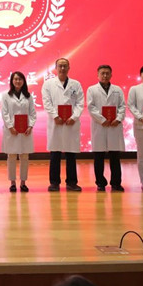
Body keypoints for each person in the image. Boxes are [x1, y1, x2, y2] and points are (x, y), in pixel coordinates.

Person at [42, 58, 84, 192]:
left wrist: (74, 117)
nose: (62, 68)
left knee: (71, 154)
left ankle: (72, 182)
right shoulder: (48, 84)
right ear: (56, 68)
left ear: (69, 68)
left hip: (71, 122)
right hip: (56, 123)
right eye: (60, 66)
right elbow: (46, 102)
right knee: (55, 153)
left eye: (65, 66)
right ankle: (54, 183)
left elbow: (80, 103)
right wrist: (55, 116)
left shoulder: (76, 84)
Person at [86, 65, 126, 192]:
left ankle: (116, 183)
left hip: (114, 125)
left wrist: (118, 119)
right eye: (102, 73)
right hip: (100, 126)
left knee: (115, 157)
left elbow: (122, 106)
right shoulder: (92, 90)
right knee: (99, 157)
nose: (105, 75)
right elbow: (91, 107)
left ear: (111, 75)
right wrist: (102, 120)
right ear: (98, 75)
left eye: (107, 73)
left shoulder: (117, 90)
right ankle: (100, 183)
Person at [1, 71, 37, 193]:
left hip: (25, 130)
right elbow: (4, 113)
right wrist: (10, 126)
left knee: (24, 156)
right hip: (11, 131)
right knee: (11, 156)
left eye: (20, 79)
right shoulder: (6, 96)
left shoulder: (28, 96)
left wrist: (30, 126)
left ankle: (23, 183)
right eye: (15, 79)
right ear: (12, 81)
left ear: (24, 81)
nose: (17, 81)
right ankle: (12, 183)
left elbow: (32, 113)